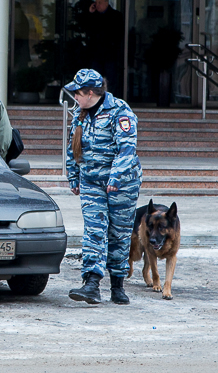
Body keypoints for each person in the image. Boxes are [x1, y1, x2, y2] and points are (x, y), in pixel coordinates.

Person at [64, 68, 142, 305]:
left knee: (119, 233)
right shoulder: (81, 113)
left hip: (121, 185)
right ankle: (91, 283)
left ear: (90, 93)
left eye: (77, 93)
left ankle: (117, 285)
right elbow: (72, 146)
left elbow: (126, 149)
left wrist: (115, 178)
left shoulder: (120, 111)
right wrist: (73, 176)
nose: (74, 97)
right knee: (94, 231)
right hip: (91, 182)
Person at [84, 0, 124, 89]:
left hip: (110, 54)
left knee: (110, 80)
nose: (97, 5)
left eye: (100, 2)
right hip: (96, 54)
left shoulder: (115, 15)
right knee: (95, 80)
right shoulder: (94, 16)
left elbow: (118, 34)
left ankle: (109, 100)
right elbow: (87, 28)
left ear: (106, 3)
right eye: (96, 2)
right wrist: (90, 13)